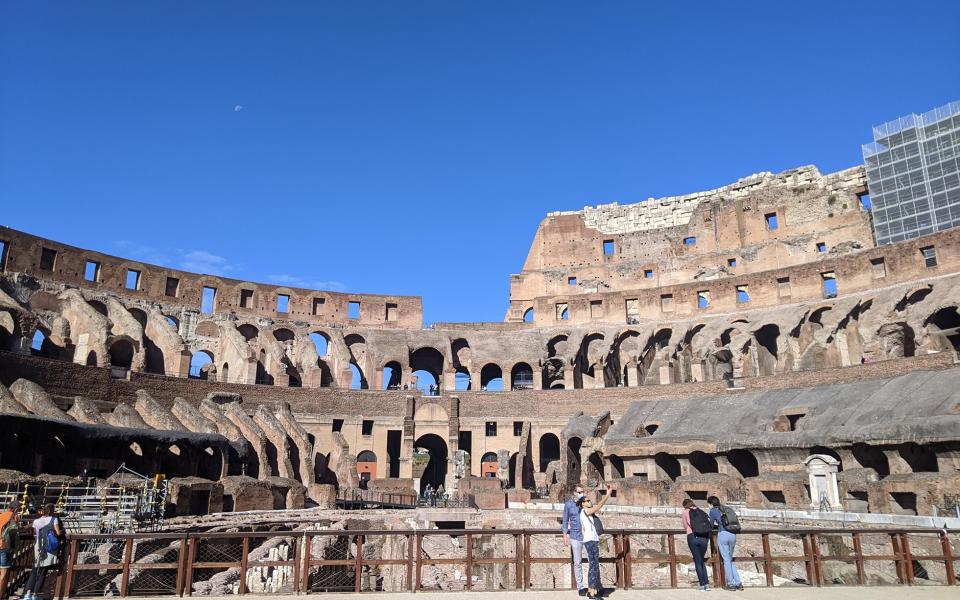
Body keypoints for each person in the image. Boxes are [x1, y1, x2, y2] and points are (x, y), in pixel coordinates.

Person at [577, 483, 612, 599]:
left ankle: (592, 590)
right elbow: (599, 505)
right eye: (587, 501)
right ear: (582, 504)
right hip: (590, 541)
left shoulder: (588, 513)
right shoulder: (584, 512)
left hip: (593, 540)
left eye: (589, 500)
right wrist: (607, 495)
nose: (589, 502)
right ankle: (591, 592)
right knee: (593, 565)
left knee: (594, 565)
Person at [24, 503, 63, 600]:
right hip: (49, 546)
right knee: (43, 571)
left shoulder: (36, 521)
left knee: (35, 569)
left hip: (38, 545)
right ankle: (35, 594)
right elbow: (58, 532)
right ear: (52, 511)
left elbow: (34, 533)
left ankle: (27, 594)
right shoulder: (54, 519)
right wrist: (63, 531)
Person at [707, 496, 742, 591]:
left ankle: (731, 584)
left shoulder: (713, 510)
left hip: (723, 534)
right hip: (733, 534)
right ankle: (738, 583)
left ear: (710, 503)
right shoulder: (727, 508)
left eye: (708, 504)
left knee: (726, 560)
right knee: (729, 559)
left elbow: (710, 525)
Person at [561, 484, 587, 595]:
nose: (582, 494)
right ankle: (580, 587)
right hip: (575, 536)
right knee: (577, 562)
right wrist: (564, 535)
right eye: (580, 492)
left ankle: (594, 585)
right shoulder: (568, 505)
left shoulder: (586, 502)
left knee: (592, 560)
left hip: (587, 536)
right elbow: (565, 520)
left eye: (583, 492)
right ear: (574, 493)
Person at [681, 499, 711, 591]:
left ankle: (702, 585)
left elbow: (685, 526)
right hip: (704, 537)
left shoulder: (685, 512)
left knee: (697, 561)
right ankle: (706, 584)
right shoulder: (701, 511)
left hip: (693, 536)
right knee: (701, 560)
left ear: (685, 505)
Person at [0, 501, 20, 600]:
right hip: (4, 546)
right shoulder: (13, 517)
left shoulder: (1, 515)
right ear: (15, 509)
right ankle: (1, 595)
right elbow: (14, 531)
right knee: (4, 571)